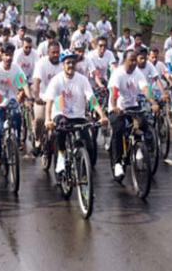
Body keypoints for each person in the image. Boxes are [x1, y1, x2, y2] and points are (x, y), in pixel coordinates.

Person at [44, 50, 108, 173]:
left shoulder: (82, 80)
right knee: (60, 132)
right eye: (68, 63)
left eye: (73, 62)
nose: (71, 65)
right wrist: (48, 119)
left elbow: (91, 99)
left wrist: (102, 115)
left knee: (89, 146)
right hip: (61, 114)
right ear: (63, 65)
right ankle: (61, 158)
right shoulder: (56, 80)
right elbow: (50, 101)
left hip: (79, 116)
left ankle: (84, 172)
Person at [107, 50, 158, 180]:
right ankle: (118, 162)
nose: (134, 63)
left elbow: (146, 89)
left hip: (132, 106)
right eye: (132, 60)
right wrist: (114, 106)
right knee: (118, 130)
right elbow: (114, 93)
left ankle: (139, 148)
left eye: (136, 60)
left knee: (144, 124)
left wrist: (153, 102)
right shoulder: (117, 74)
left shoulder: (138, 73)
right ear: (125, 60)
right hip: (118, 108)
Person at [0, 43, 31, 171]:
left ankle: (17, 138)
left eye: (10, 55)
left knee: (17, 114)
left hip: (11, 100)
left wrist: (29, 97)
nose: (8, 58)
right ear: (2, 55)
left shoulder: (16, 69)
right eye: (6, 55)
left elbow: (24, 84)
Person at [31, 41, 62, 156]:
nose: (56, 55)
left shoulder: (62, 64)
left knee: (62, 122)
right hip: (43, 97)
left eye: (57, 52)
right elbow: (36, 82)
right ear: (48, 52)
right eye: (53, 52)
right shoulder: (41, 64)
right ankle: (38, 140)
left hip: (58, 99)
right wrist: (37, 96)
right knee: (39, 119)